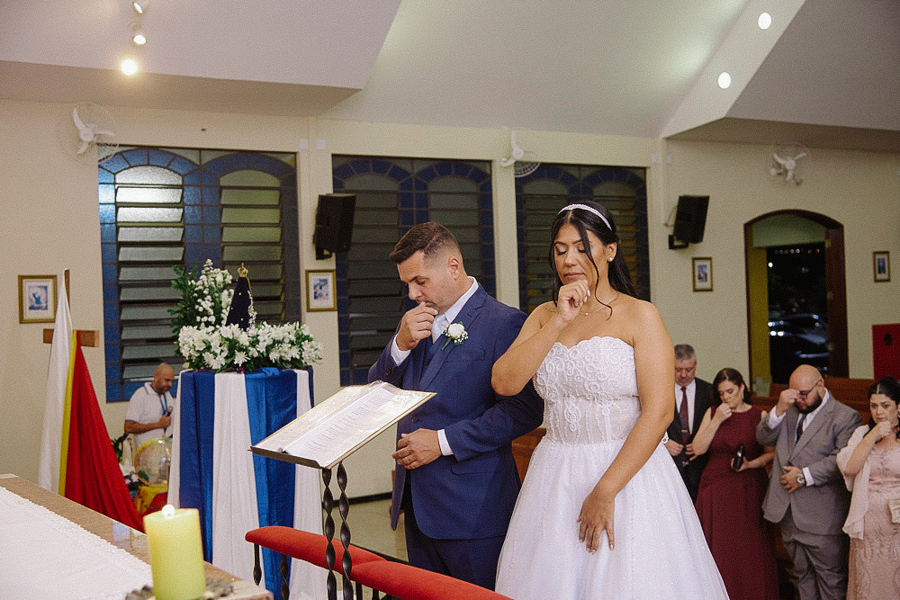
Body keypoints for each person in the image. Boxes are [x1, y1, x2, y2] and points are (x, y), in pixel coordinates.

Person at [491, 202, 727, 599]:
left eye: (582, 248)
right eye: (560, 249)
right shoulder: (544, 315)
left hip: (628, 473)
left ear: (610, 250)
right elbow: (504, 382)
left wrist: (605, 490)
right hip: (555, 474)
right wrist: (561, 319)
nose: (569, 259)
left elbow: (659, 412)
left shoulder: (640, 315)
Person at [368, 221, 543, 589]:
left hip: (473, 510)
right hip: (418, 504)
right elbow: (376, 392)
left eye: (420, 281)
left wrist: (442, 441)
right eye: (407, 284)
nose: (413, 294)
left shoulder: (505, 324)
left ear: (453, 266)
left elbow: (524, 411)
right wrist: (399, 346)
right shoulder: (414, 322)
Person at [756, 364, 862, 600]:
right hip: (788, 512)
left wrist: (803, 476)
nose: (799, 400)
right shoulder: (789, 409)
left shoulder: (845, 417)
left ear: (820, 385)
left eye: (804, 394)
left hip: (821, 516)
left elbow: (840, 459)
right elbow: (763, 437)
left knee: (830, 581)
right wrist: (779, 409)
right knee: (801, 577)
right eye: (794, 394)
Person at [691, 367, 778, 600]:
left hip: (748, 486)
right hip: (716, 488)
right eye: (721, 393)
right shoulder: (713, 412)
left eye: (730, 391)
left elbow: (771, 453)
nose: (726, 398)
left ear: (742, 388)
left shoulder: (758, 415)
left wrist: (750, 464)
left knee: (748, 548)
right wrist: (717, 420)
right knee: (720, 548)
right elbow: (698, 448)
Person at [836, 376, 900, 600]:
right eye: (873, 406)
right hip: (867, 523)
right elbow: (850, 468)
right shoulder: (862, 434)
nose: (879, 412)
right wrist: (873, 435)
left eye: (885, 405)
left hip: (897, 524)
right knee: (869, 581)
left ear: (898, 407)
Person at [665, 343, 717, 502]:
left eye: (688, 369)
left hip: (701, 466)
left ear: (695, 365)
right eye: (678, 369)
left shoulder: (710, 391)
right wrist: (664, 443)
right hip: (670, 465)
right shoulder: (662, 390)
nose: (683, 375)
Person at [124, 363, 175, 449]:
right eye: (167, 380)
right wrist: (158, 425)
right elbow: (128, 427)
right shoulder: (141, 395)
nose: (170, 384)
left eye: (172, 381)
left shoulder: (167, 395)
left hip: (165, 451)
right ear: (156, 377)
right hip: (147, 453)